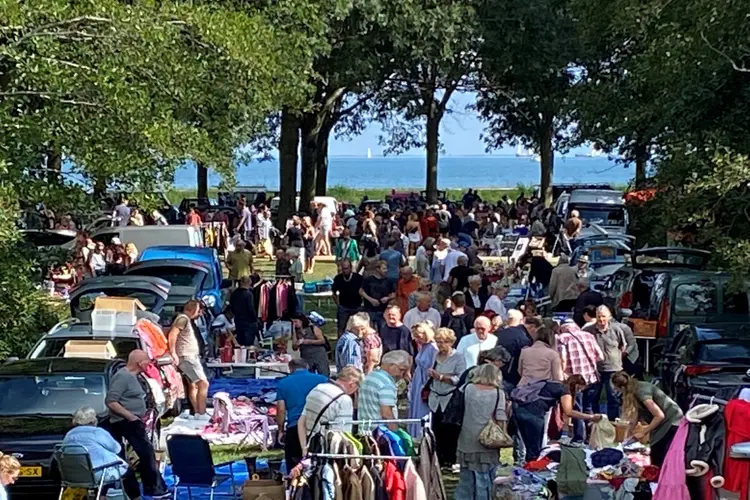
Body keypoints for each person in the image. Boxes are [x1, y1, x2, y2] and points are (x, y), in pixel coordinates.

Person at [106, 350, 169, 498]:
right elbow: (111, 401)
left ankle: (152, 486)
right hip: (126, 422)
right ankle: (155, 488)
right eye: (147, 361)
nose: (149, 363)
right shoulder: (122, 377)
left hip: (135, 420)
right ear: (139, 363)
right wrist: (131, 417)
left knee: (146, 454)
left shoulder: (136, 376)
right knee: (146, 453)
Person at [455, 363, 507, 500]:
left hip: (466, 436)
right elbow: (501, 416)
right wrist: (503, 435)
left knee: (466, 475)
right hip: (487, 439)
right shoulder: (498, 393)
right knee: (484, 477)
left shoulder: (467, 388)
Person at [611, 371, 683, 467]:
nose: (617, 392)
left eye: (616, 389)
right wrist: (627, 437)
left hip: (672, 420)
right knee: (656, 452)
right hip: (665, 420)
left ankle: (661, 478)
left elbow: (659, 415)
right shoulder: (633, 389)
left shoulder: (642, 392)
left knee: (658, 454)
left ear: (622, 387)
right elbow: (635, 415)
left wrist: (644, 432)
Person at [297, 366, 363, 456]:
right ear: (353, 384)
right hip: (328, 452)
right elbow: (343, 434)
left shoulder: (317, 388)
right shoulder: (344, 400)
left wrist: (304, 449)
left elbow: (301, 422)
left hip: (311, 448)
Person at [275, 359, 328, 471]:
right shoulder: (322, 380)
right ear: (307, 366)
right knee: (320, 464)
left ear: (290, 369)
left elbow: (281, 410)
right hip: (319, 427)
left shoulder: (283, 383)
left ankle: (295, 487)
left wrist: (280, 430)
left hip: (294, 427)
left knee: (294, 466)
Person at [62, 407, 130, 492]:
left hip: (73, 475)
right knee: (126, 472)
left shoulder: (69, 434)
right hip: (96, 474)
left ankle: (102, 496)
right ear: (93, 420)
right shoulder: (97, 432)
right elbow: (116, 449)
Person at [556, 322, 604, 442]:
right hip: (591, 377)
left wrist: (563, 373)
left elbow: (563, 359)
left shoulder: (563, 338)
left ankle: (579, 437)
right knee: (588, 407)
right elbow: (601, 356)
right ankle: (591, 436)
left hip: (575, 379)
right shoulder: (589, 335)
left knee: (577, 409)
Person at [428, 327, 467, 467]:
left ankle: (450, 459)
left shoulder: (459, 357)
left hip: (450, 399)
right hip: (435, 398)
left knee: (449, 430)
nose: (440, 345)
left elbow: (460, 378)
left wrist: (441, 377)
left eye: (443, 342)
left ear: (451, 342)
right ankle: (438, 457)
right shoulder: (435, 355)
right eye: (438, 342)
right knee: (436, 429)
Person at [584, 305, 629, 420]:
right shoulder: (588, 331)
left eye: (604, 316)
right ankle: (597, 422)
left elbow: (623, 346)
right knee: (593, 397)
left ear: (609, 317)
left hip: (613, 369)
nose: (601, 319)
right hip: (595, 370)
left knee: (613, 398)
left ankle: (613, 423)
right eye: (599, 317)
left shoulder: (616, 330)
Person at [168, 300, 209, 419]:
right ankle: (202, 413)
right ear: (193, 310)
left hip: (189, 356)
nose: (200, 314)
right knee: (203, 383)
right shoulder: (183, 319)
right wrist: (173, 353)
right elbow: (173, 334)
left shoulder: (185, 320)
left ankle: (196, 412)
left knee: (193, 385)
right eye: (199, 311)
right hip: (187, 357)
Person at [359, 350, 412, 431]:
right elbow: (387, 414)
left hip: (365, 429)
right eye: (401, 370)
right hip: (381, 434)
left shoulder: (370, 376)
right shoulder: (386, 384)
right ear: (391, 365)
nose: (401, 374)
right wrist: (395, 433)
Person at [408, 322, 439, 438]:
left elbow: (433, 366)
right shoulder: (424, 347)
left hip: (425, 382)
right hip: (418, 380)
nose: (417, 339)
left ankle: (423, 435)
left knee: (423, 409)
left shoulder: (433, 348)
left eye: (419, 336)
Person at [494, 309, 531, 386]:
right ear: (521, 320)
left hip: (497, 373)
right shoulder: (522, 337)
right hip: (514, 376)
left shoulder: (497, 334)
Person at [359, 259, 396, 332]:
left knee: (383, 330)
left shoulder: (389, 281)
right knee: (369, 330)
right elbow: (361, 291)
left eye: (386, 268)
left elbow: (394, 294)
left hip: (383, 310)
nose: (386, 270)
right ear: (378, 269)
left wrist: (387, 298)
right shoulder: (369, 280)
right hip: (370, 309)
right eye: (384, 268)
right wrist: (370, 299)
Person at [332, 258, 364, 336]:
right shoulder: (338, 278)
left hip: (357, 306)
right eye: (343, 268)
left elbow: (363, 291)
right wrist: (338, 304)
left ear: (350, 267)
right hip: (344, 307)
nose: (344, 271)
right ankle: (341, 345)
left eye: (346, 268)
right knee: (341, 328)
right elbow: (333, 293)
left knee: (358, 327)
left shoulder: (358, 278)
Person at [229, 276, 260, 346]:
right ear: (249, 283)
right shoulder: (248, 294)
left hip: (238, 320)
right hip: (248, 321)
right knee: (248, 342)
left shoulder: (234, 293)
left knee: (240, 341)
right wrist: (255, 319)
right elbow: (250, 308)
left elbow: (231, 305)